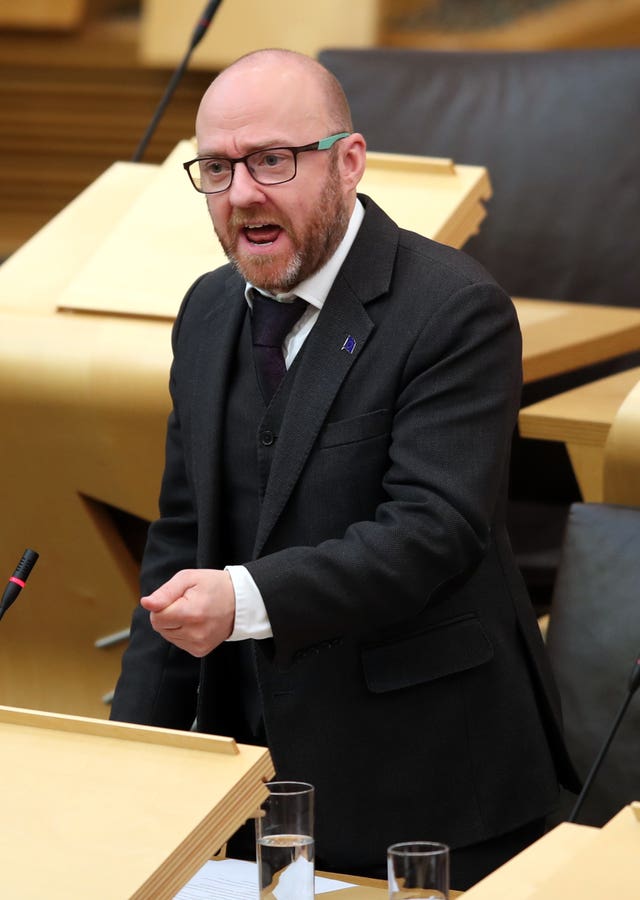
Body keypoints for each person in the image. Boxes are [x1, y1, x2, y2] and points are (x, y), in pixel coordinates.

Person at [110, 48, 578, 888]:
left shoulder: (453, 310)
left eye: (273, 160)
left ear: (350, 161)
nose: (243, 193)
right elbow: (181, 536)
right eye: (217, 168)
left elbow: (432, 531)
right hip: (251, 789)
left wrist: (245, 598)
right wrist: (133, 756)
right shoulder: (209, 309)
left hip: (427, 789)